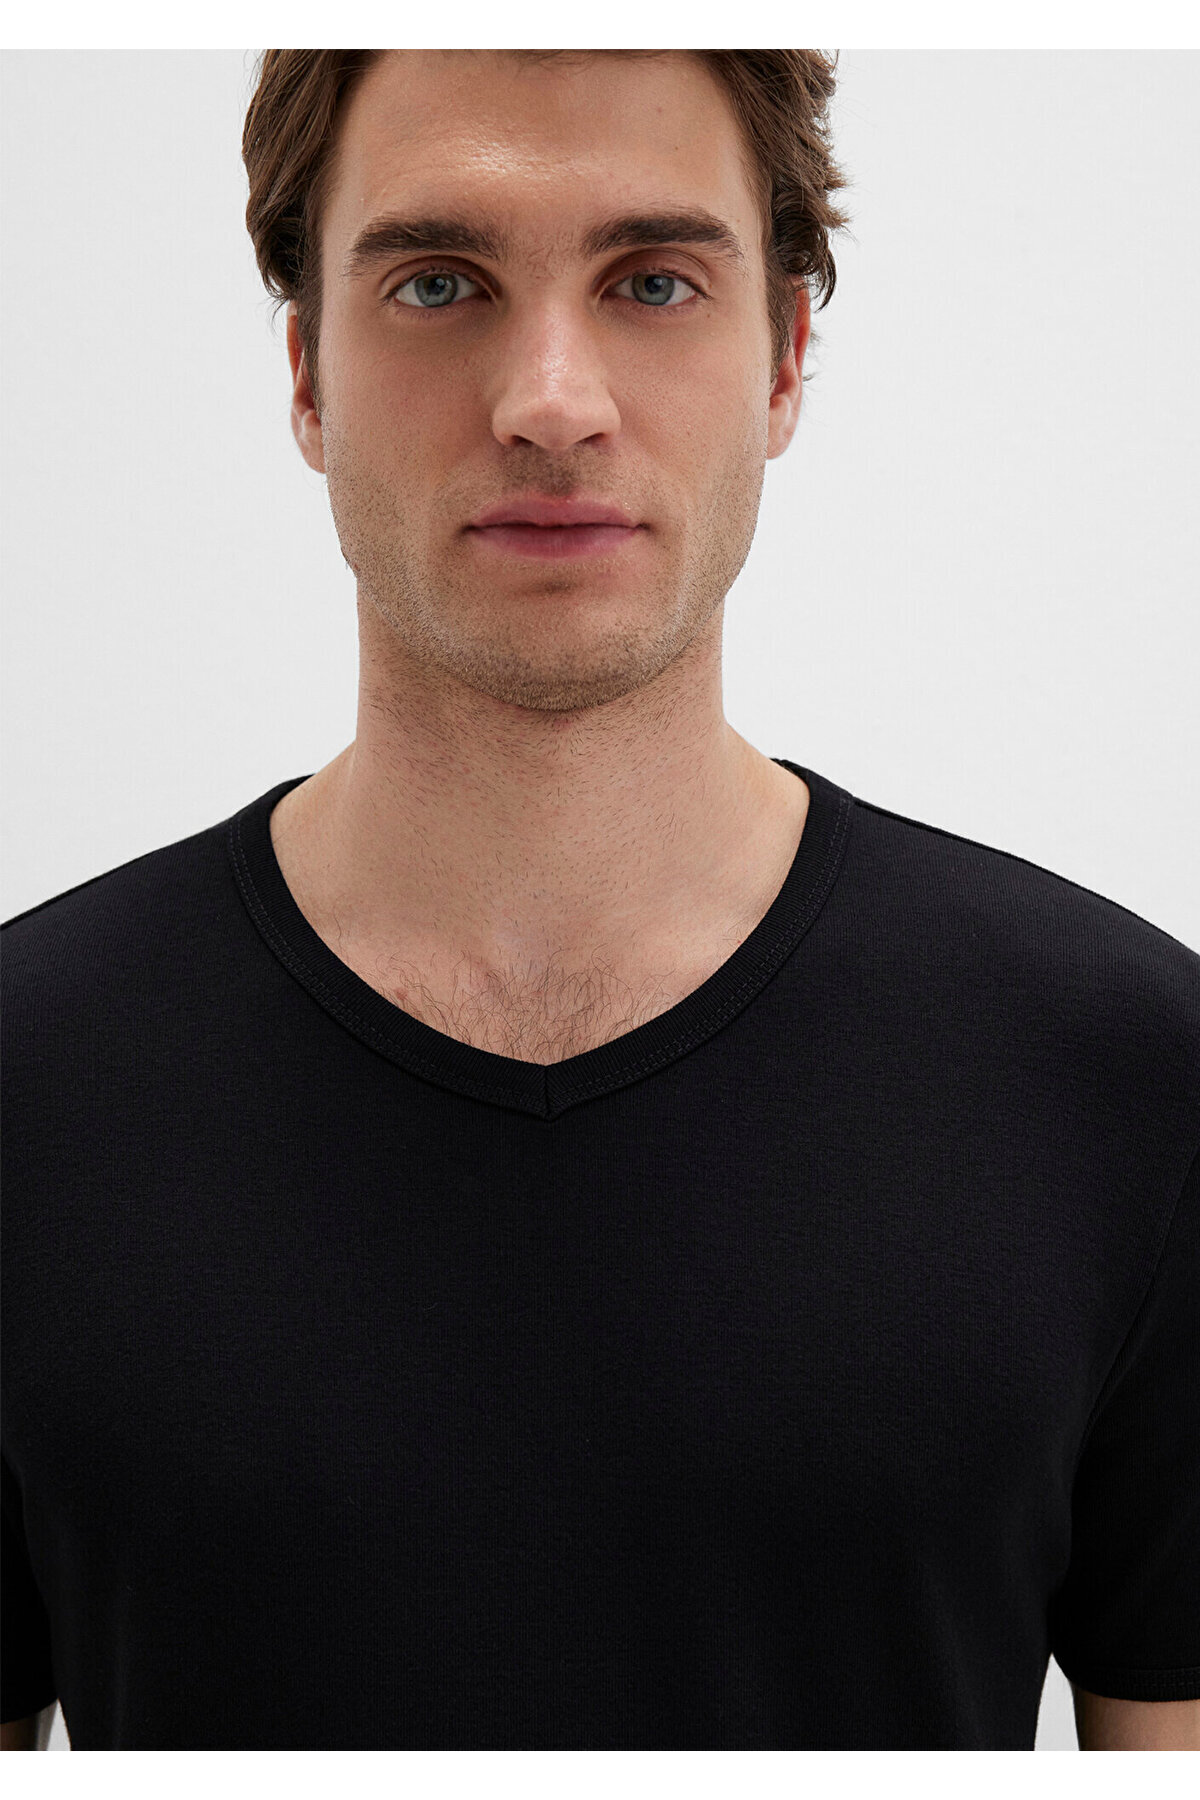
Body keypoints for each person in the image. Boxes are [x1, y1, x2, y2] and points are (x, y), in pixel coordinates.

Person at [2, 48, 1197, 1753]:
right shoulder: (29, 1089)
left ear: (783, 361)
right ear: (308, 373)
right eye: (438, 282)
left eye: (652, 281)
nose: (550, 401)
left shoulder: (1127, 1080)